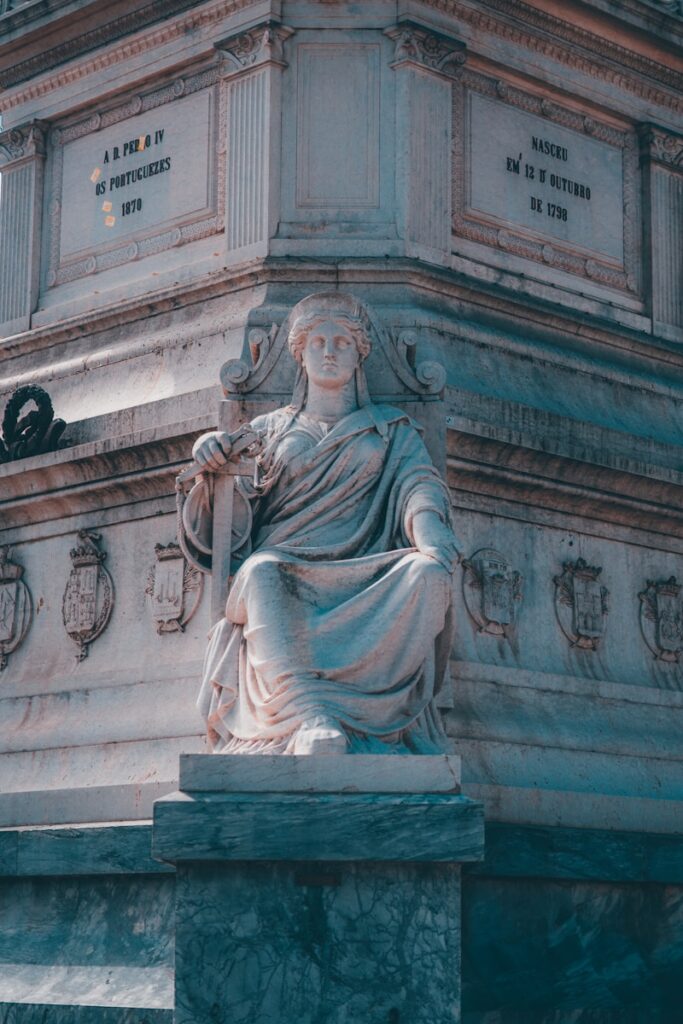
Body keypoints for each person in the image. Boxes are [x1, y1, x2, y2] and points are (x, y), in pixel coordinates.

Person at [184, 292, 460, 754]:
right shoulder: (269, 429)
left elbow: (419, 484)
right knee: (258, 572)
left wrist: (429, 530)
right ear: (300, 353)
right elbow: (231, 514)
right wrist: (211, 463)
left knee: (429, 574)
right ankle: (309, 713)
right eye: (318, 342)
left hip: (371, 569)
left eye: (342, 342)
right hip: (286, 566)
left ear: (359, 355)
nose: (329, 351)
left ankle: (371, 717)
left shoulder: (391, 429)